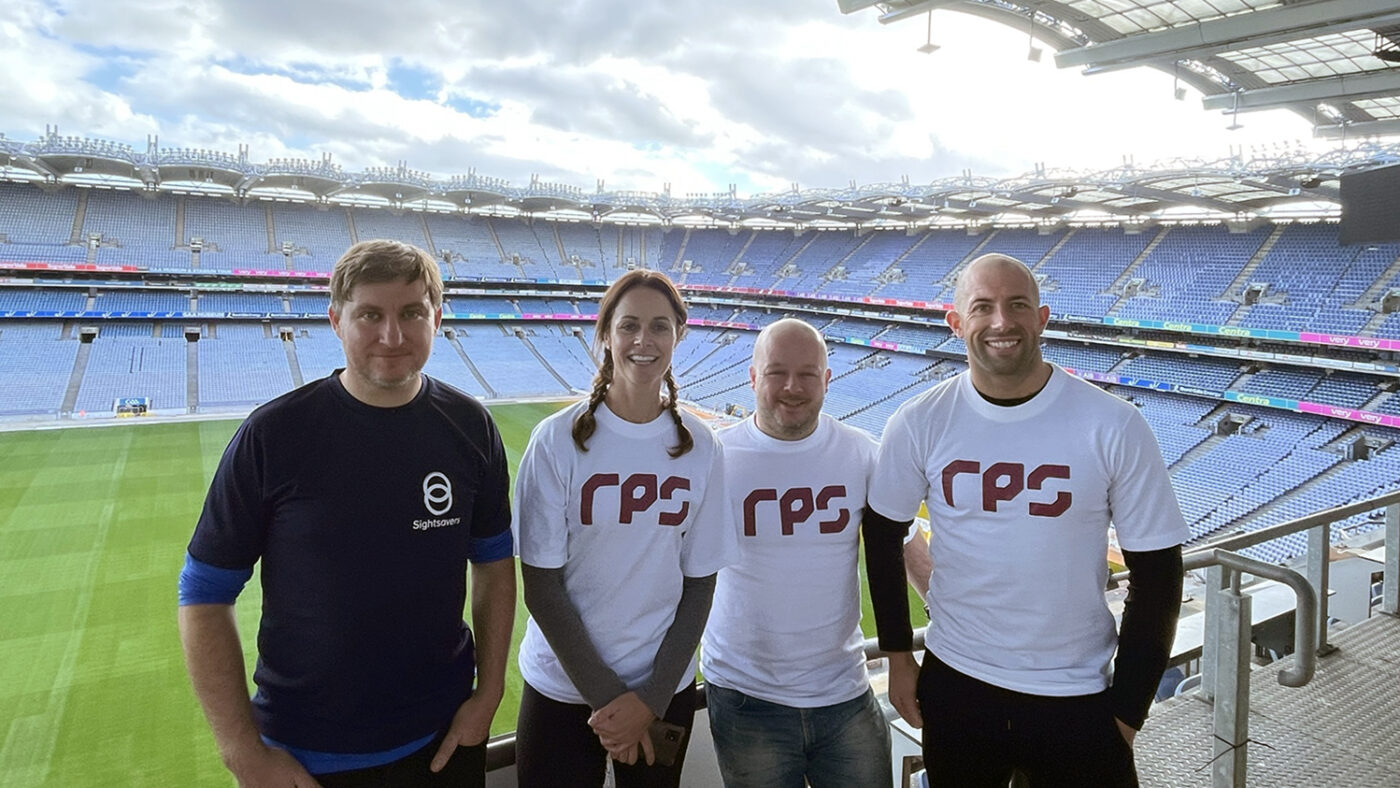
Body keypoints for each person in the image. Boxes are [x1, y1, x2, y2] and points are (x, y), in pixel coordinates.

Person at [178, 239, 516, 788]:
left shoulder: (471, 427)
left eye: (411, 313)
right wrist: (242, 750)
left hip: (444, 740)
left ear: (437, 316)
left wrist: (489, 693)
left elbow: (496, 566)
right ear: (336, 320)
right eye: (369, 315)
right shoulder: (274, 435)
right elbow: (203, 593)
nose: (392, 335)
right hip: (308, 757)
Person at [864, 253, 1188, 787]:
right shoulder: (921, 420)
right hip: (958, 685)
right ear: (955, 322)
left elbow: (1158, 576)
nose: (1000, 322)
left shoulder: (1113, 424)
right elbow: (881, 532)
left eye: (1017, 305)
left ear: (1042, 317)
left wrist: (1127, 714)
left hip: (1075, 694)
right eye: (982, 307)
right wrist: (899, 655)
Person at [512, 269, 739, 788]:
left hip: (661, 690)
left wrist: (650, 700)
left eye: (660, 327)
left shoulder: (702, 447)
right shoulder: (556, 441)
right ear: (606, 335)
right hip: (562, 689)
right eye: (629, 325)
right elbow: (542, 588)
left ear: (679, 335)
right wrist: (611, 701)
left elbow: (700, 583)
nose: (643, 340)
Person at [700, 318, 892, 788]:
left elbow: (906, 549)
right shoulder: (714, 459)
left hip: (845, 693)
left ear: (828, 379)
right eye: (776, 372)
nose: (792, 387)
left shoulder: (862, 454)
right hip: (747, 698)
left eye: (808, 374)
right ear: (751, 377)